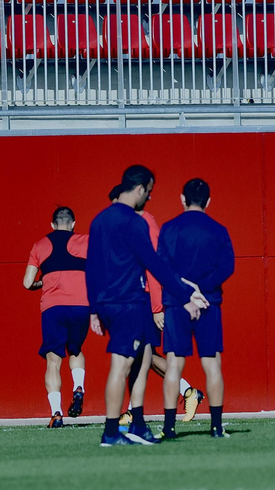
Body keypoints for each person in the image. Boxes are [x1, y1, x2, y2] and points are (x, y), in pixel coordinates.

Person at [87, 173, 208, 447]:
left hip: (111, 301)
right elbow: (154, 263)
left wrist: (94, 309)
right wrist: (186, 294)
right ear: (139, 188)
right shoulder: (135, 222)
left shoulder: (99, 221)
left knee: (142, 361)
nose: (150, 197)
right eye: (149, 191)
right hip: (129, 300)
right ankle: (110, 432)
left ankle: (139, 425)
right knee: (122, 365)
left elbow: (92, 267)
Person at [119, 165, 206, 428]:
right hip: (133, 299)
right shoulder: (128, 222)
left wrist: (157, 306)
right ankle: (188, 392)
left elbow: (156, 265)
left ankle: (135, 411)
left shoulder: (147, 222)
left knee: (136, 355)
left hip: (146, 301)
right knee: (140, 355)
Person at [157, 179, 235, 440]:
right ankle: (215, 427)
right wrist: (201, 290)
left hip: (176, 303)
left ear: (182, 198)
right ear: (208, 201)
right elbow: (227, 267)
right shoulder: (219, 230)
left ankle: (169, 428)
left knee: (173, 365)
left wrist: (186, 293)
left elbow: (163, 269)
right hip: (209, 302)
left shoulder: (169, 229)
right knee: (212, 364)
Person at [24, 206, 90, 428]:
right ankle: (78, 387)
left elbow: (26, 283)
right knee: (76, 350)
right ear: (73, 224)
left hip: (53, 308)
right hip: (81, 305)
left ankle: (56, 413)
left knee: (53, 360)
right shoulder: (86, 241)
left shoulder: (40, 245)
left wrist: (43, 281)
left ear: (52, 225)